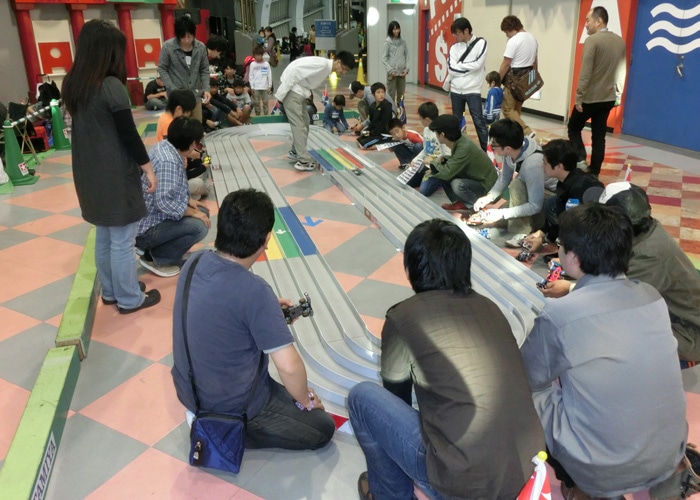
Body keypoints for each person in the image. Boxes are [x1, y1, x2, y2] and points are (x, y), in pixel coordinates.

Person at [349, 218, 544, 499]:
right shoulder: (490, 308)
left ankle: (389, 495)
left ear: (410, 269)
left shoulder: (402, 317)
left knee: (362, 398)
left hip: (463, 484)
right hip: (526, 473)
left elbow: (396, 397)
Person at [520, 203, 687, 498]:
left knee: (530, 390)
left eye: (561, 245)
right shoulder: (652, 296)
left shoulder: (561, 314)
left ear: (573, 258)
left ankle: (578, 484)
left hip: (603, 471)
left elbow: (526, 376)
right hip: (670, 453)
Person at [171, 188, 336, 454]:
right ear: (266, 239)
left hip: (189, 389)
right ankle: (222, 430)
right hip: (232, 404)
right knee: (321, 427)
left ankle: (206, 416)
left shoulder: (195, 261)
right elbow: (289, 368)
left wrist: (266, 312)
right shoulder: (255, 291)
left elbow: (218, 311)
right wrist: (306, 401)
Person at [541, 182, 700, 366]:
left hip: (687, 333)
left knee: (602, 331)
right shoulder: (642, 228)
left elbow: (613, 298)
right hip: (664, 311)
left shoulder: (648, 257)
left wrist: (570, 287)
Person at [61, 19, 160, 313]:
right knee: (123, 240)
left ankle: (112, 291)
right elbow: (129, 135)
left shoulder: (73, 85)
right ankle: (130, 299)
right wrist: (148, 167)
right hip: (114, 174)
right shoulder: (111, 86)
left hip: (88, 174)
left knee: (104, 236)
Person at [136, 117, 210, 278]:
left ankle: (160, 250)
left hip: (149, 216)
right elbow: (163, 202)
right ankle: (156, 258)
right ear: (191, 143)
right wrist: (191, 212)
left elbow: (170, 188)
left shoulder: (165, 146)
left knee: (203, 212)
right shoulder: (168, 162)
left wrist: (189, 201)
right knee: (200, 226)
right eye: (197, 144)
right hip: (147, 227)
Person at [568, 6, 627, 177]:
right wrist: (618, 94)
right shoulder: (619, 42)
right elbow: (621, 71)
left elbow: (585, 72)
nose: (585, 24)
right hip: (608, 98)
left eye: (588, 20)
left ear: (599, 20)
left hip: (590, 98)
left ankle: (580, 159)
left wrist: (579, 97)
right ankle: (595, 172)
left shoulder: (592, 41)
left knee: (573, 127)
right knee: (599, 136)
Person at [473, 118, 556, 234]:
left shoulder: (532, 165)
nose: (493, 148)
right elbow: (504, 178)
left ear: (507, 148)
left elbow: (535, 205)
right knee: (497, 215)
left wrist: (502, 213)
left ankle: (521, 233)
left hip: (548, 196)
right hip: (530, 189)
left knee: (515, 185)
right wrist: (489, 197)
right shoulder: (512, 150)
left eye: (494, 145)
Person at [276, 51, 355, 171]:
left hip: (299, 91)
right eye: (344, 69)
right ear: (338, 62)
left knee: (305, 121)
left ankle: (295, 151)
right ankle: (303, 161)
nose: (343, 73)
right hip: (293, 91)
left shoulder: (325, 67)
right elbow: (295, 71)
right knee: (299, 125)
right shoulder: (322, 65)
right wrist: (281, 94)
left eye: (346, 71)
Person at [521, 139, 602, 249]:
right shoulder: (567, 180)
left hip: (593, 238)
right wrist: (542, 233)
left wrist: (545, 240)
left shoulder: (579, 188)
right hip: (580, 226)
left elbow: (577, 226)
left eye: (545, 163)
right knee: (551, 203)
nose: (542, 166)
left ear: (559, 166)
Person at [420, 114, 497, 212]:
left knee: (457, 184)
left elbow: (447, 172)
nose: (435, 135)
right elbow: (456, 162)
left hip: (486, 186)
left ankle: (477, 207)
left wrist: (432, 161)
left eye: (436, 133)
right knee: (440, 172)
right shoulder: (459, 140)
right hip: (477, 178)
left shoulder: (464, 147)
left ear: (442, 135)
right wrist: (442, 160)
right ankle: (461, 202)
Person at [155, 89, 211, 201]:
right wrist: (201, 163)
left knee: (203, 165)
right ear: (179, 109)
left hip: (182, 167)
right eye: (188, 112)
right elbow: (180, 172)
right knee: (199, 182)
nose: (188, 115)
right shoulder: (169, 124)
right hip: (177, 180)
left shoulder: (167, 119)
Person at [443, 17, 489, 151]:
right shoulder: (454, 47)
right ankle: (457, 150)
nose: (455, 36)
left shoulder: (481, 43)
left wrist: (461, 67)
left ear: (466, 31)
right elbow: (451, 68)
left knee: (479, 122)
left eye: (457, 33)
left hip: (473, 90)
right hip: (456, 90)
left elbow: (478, 64)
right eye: (454, 34)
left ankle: (487, 152)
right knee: (456, 122)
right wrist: (469, 68)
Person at [158, 16, 210, 123]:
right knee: (179, 127)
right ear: (178, 35)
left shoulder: (200, 47)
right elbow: (162, 69)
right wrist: (172, 88)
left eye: (189, 37)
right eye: (183, 37)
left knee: (196, 125)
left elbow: (204, 69)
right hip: (177, 97)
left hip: (195, 95)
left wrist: (206, 88)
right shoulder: (168, 47)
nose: (187, 40)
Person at [498, 15, 538, 138]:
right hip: (527, 78)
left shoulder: (514, 40)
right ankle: (515, 136)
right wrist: (533, 77)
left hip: (514, 79)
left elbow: (506, 63)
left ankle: (526, 131)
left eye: (506, 32)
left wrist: (497, 80)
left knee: (507, 109)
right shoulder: (532, 38)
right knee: (516, 109)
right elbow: (535, 61)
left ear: (511, 28)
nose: (507, 35)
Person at [356, 82, 394, 149]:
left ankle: (385, 143)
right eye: (378, 92)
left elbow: (383, 124)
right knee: (358, 140)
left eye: (382, 92)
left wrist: (371, 133)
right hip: (375, 132)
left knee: (364, 145)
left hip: (384, 133)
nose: (381, 94)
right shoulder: (372, 106)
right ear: (373, 94)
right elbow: (372, 122)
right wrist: (367, 130)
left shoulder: (386, 106)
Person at [382, 21, 409, 104]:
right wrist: (390, 71)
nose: (396, 31)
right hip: (392, 74)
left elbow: (407, 56)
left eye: (397, 29)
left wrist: (407, 69)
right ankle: (391, 111)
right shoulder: (387, 42)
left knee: (401, 95)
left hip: (402, 73)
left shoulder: (403, 42)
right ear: (391, 30)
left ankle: (401, 110)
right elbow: (384, 58)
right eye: (394, 29)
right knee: (391, 95)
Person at [247, 46, 272, 116]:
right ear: (254, 55)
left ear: (262, 55)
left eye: (259, 55)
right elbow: (251, 76)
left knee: (265, 102)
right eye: (256, 55)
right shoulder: (252, 64)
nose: (257, 57)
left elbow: (269, 75)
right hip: (256, 87)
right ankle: (257, 115)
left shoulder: (266, 64)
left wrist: (269, 86)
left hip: (264, 87)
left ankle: (266, 115)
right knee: (256, 102)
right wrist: (252, 87)